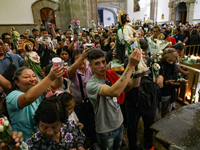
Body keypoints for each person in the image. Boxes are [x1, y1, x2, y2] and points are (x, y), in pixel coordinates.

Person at [86, 49, 141, 150]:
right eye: (97, 63)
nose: (102, 65)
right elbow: (114, 92)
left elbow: (134, 83)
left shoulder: (111, 74)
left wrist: (138, 67)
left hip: (119, 123)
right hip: (106, 129)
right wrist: (130, 65)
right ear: (90, 66)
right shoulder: (91, 84)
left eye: (103, 61)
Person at [6, 65, 65, 139]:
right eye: (26, 77)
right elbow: (26, 99)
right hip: (24, 141)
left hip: (41, 140)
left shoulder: (38, 91)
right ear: (17, 82)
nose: (32, 79)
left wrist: (59, 73)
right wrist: (49, 77)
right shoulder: (12, 96)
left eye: (34, 76)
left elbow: (56, 84)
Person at [159, 48, 180, 117]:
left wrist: (179, 83)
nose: (171, 62)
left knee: (166, 115)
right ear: (165, 58)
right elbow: (155, 81)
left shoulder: (175, 67)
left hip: (169, 93)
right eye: (169, 60)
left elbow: (175, 78)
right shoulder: (159, 66)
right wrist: (165, 82)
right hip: (159, 93)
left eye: (173, 61)